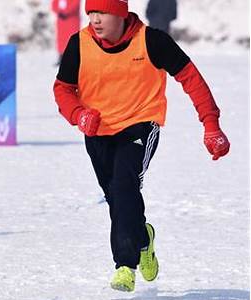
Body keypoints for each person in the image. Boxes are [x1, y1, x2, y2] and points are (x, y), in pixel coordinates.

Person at [53, 0, 230, 292]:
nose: (95, 20)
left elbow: (191, 78)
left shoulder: (152, 41)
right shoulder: (79, 43)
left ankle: (125, 265)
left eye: (103, 13)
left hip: (139, 124)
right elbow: (63, 89)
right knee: (117, 200)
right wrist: (78, 114)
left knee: (124, 187)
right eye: (91, 13)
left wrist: (211, 124)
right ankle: (144, 239)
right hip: (97, 129)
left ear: (121, 14)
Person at [51, 0, 81, 64]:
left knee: (72, 38)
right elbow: (54, 4)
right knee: (61, 38)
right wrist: (58, 12)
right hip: (61, 21)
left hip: (72, 20)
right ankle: (61, 56)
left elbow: (75, 4)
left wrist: (66, 12)